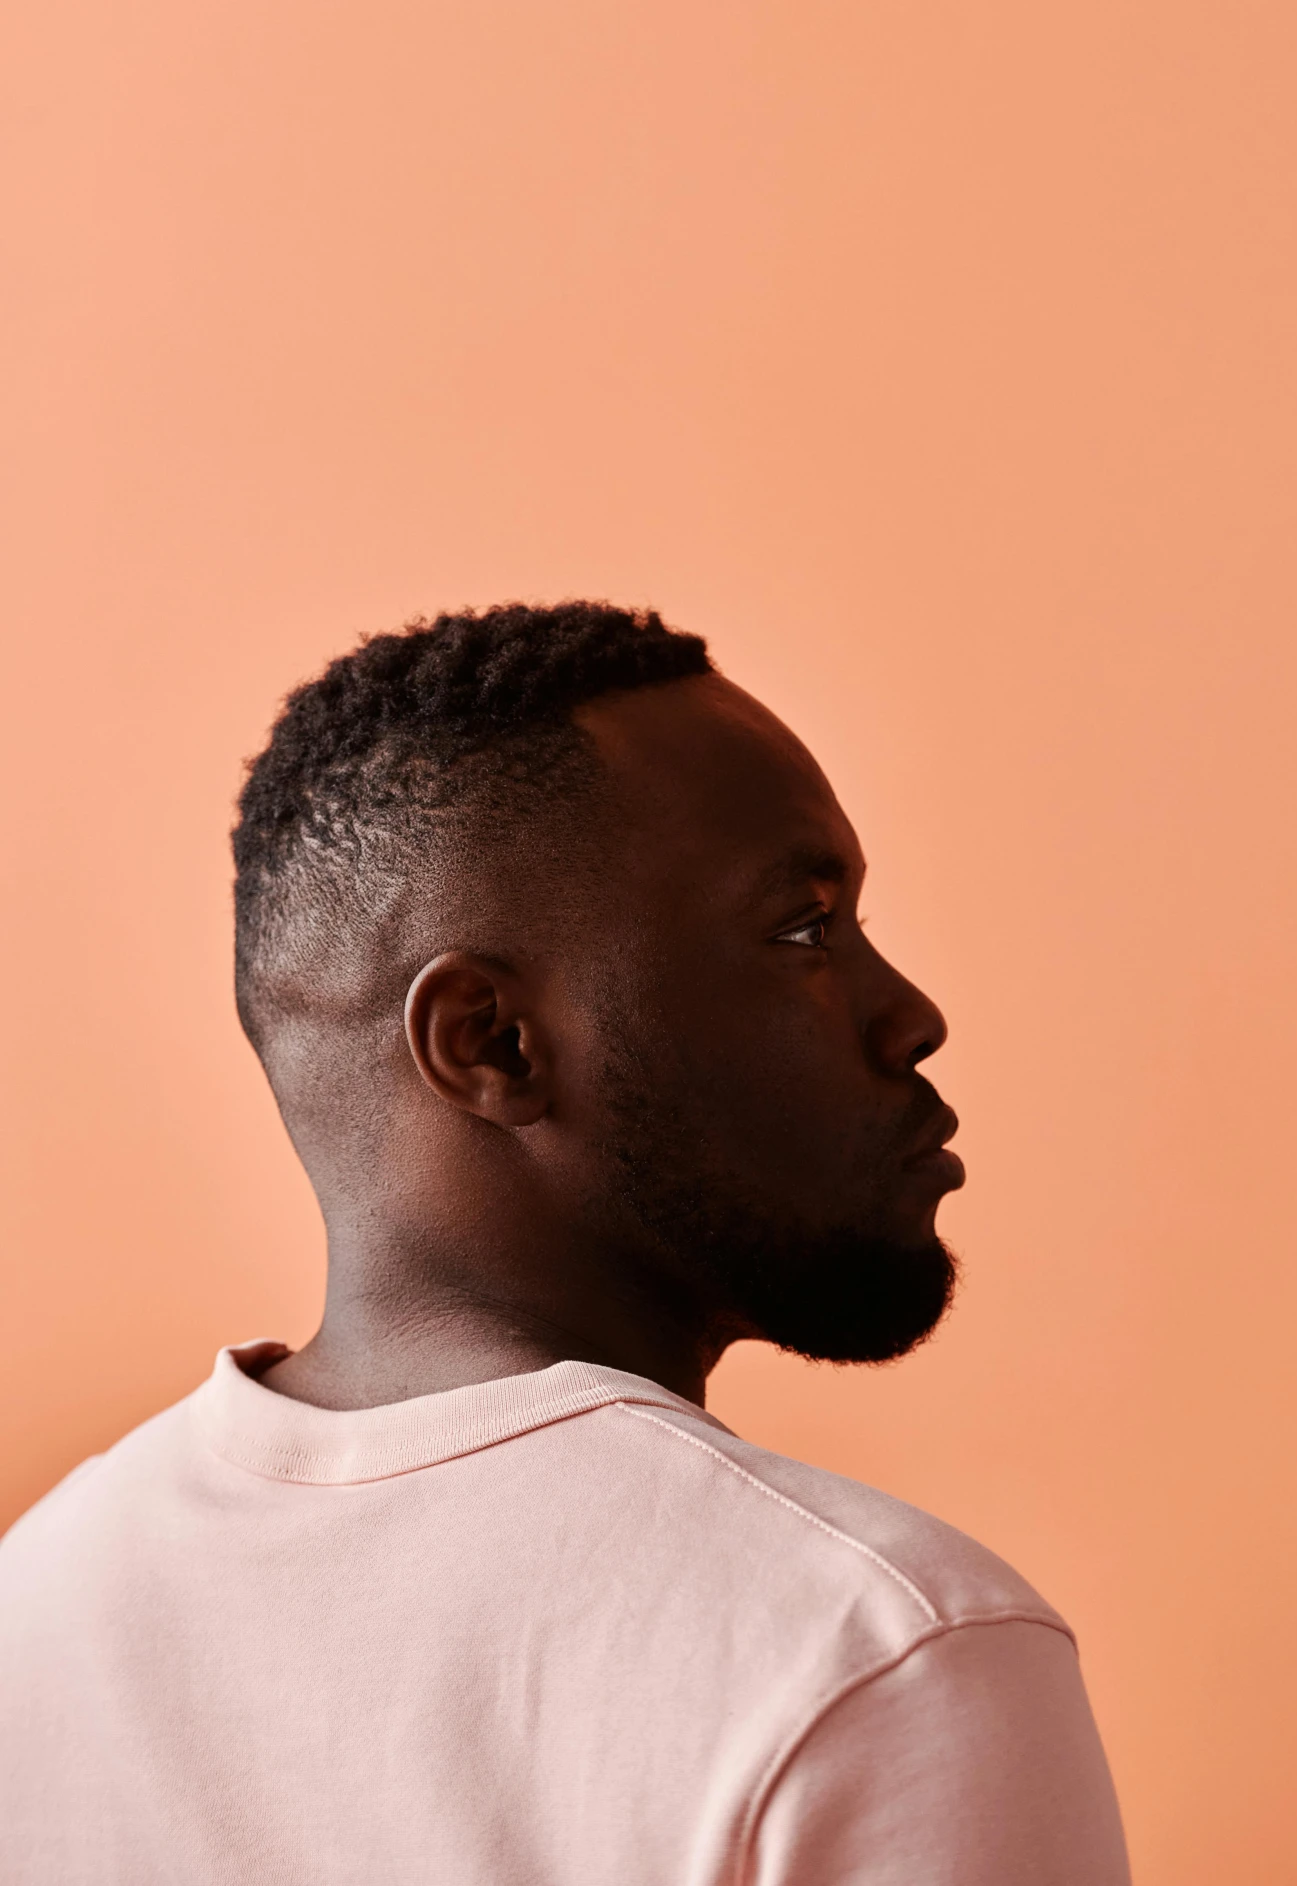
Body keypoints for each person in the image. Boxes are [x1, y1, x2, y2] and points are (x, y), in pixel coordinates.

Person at [0, 602, 1130, 1884]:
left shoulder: (32, 1613)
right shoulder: (877, 1655)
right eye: (803, 929)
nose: (910, 1015)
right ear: (492, 1042)